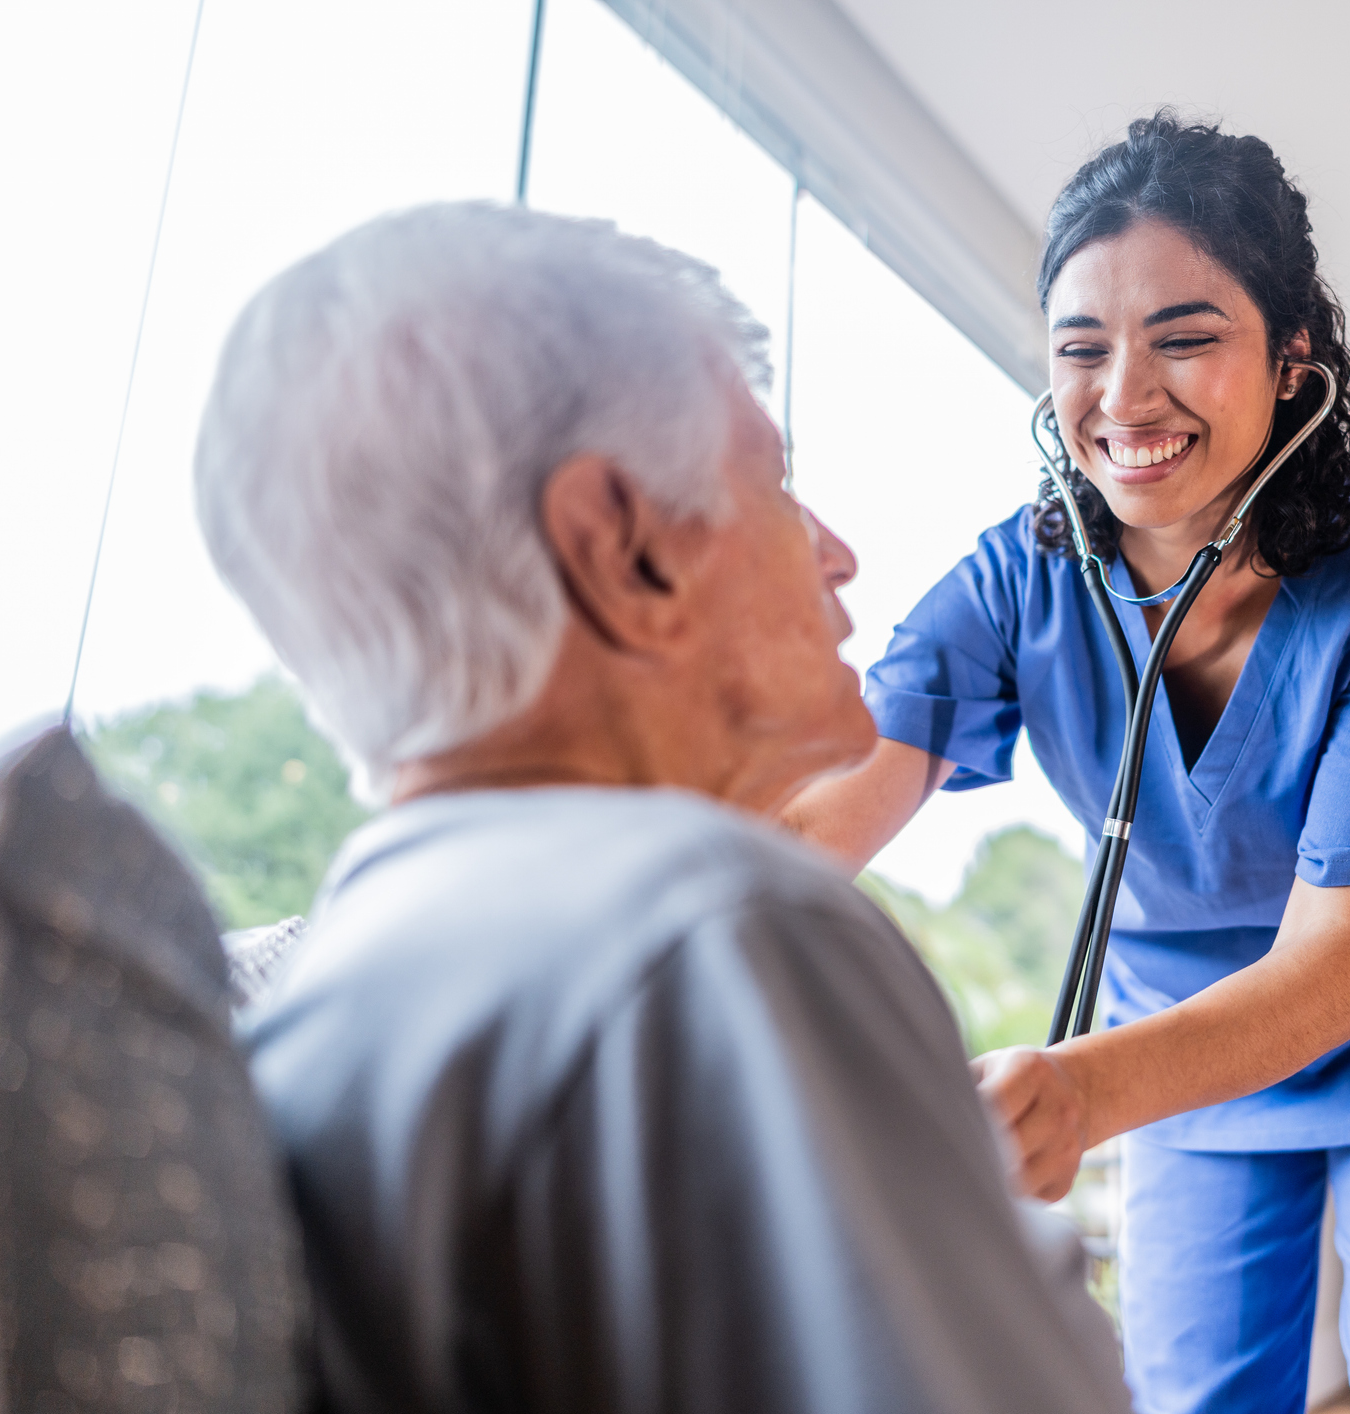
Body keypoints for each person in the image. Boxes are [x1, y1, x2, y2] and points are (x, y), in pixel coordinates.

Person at [194, 201, 1129, 1414]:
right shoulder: (719, 931)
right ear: (621, 547)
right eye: (776, 480)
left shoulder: (334, 992)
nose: (839, 553)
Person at [783, 115, 1350, 1414]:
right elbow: (837, 800)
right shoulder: (1012, 581)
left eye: (1185, 338)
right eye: (1081, 348)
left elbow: (1326, 971)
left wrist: (1077, 1086)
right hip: (1178, 1034)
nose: (1125, 396)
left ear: (1292, 356)